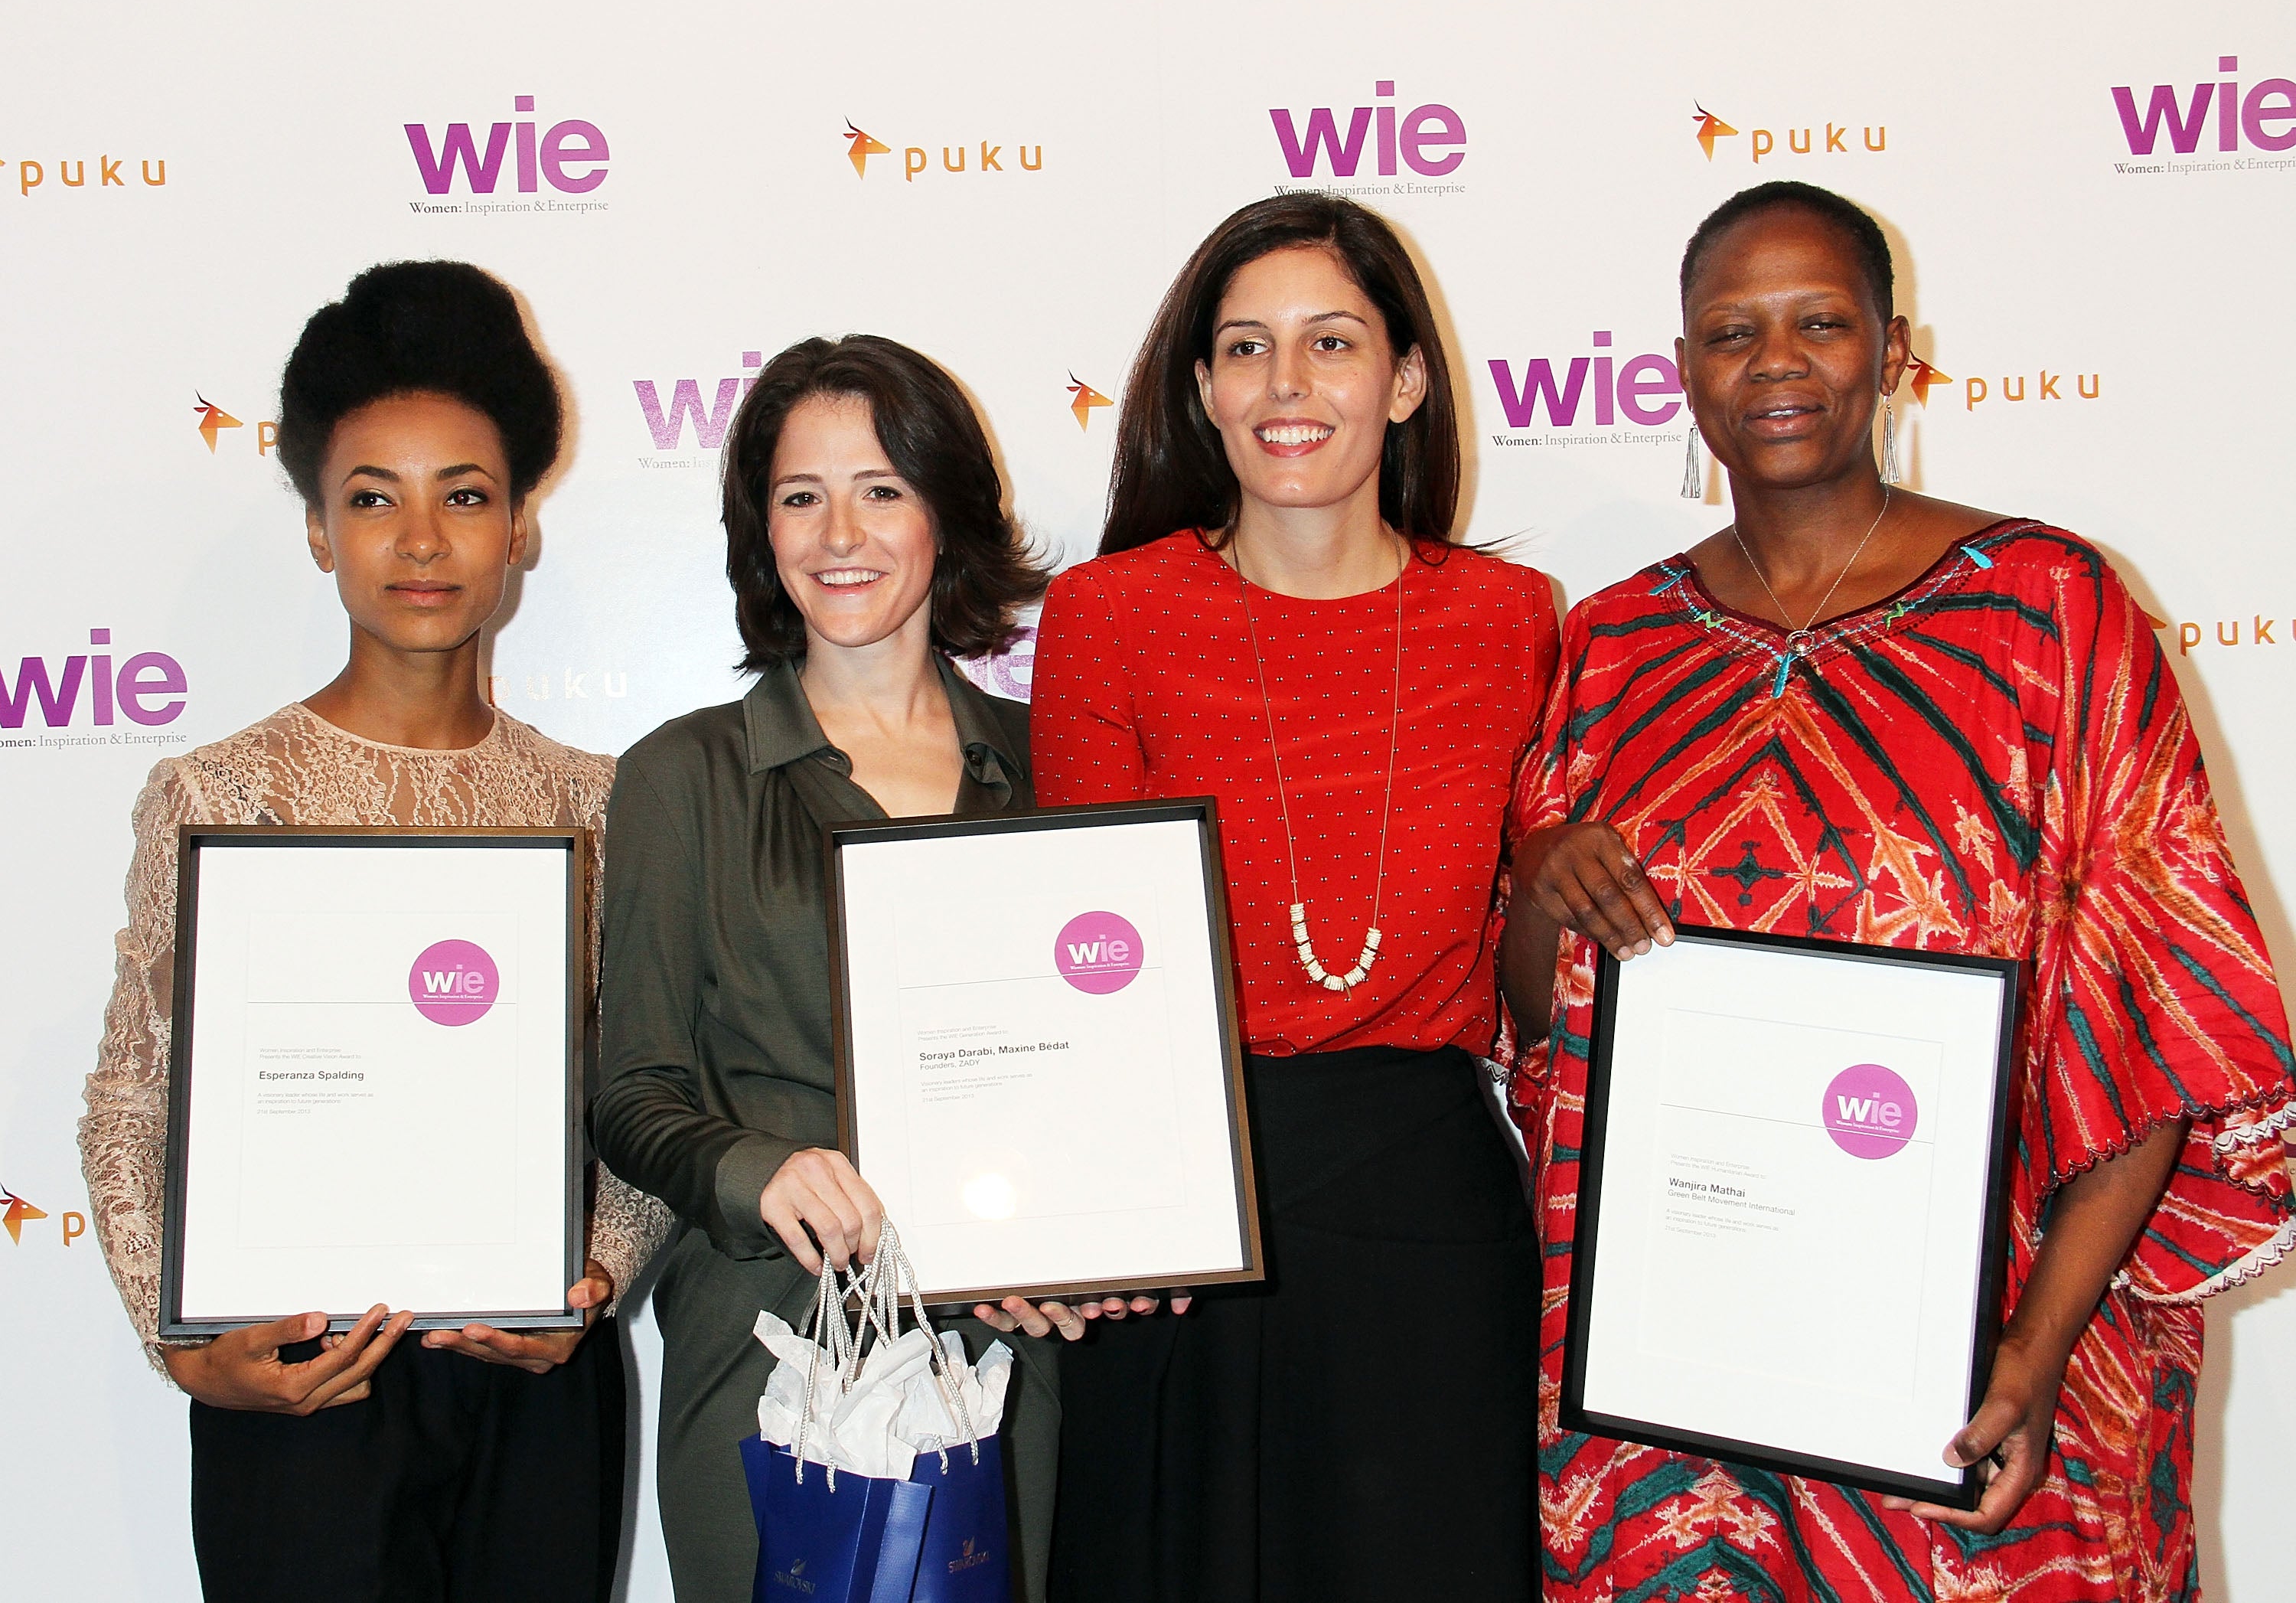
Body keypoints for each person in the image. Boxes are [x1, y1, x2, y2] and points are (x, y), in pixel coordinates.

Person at [1499, 179, 2296, 1603]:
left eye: (1821, 322)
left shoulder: (2050, 610)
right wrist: (1547, 896)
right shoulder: (1611, 645)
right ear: (1681, 372)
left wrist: (2030, 1358)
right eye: (1732, 332)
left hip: (1977, 1369)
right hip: (1683, 1393)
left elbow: (2164, 1020)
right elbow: (1542, 1040)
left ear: (1895, 349)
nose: (1777, 363)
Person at [79, 260, 671, 1602]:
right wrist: (179, 1343)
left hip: (530, 1381)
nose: (420, 541)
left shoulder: (600, 802)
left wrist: (594, 1274)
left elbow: (649, 1089)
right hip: (300, 1379)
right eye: (372, 498)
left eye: (464, 495)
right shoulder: (219, 796)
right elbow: (132, 1094)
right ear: (315, 531)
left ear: (520, 524)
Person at [1030, 193, 1557, 1602]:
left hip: (1427, 1215)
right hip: (1176, 1206)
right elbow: (1082, 964)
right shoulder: (1109, 616)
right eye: (1246, 348)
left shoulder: (1512, 624)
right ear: (1201, 390)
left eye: (1331, 342)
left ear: (1405, 378)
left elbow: (1546, 938)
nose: (1287, 386)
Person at [591, 334, 1087, 1603]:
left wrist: (1084, 1233)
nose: (839, 531)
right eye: (799, 496)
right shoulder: (680, 776)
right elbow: (633, 1088)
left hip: (1007, 1340)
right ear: (762, 532)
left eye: (882, 488)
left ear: (946, 514)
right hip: (766, 1339)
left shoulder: (1058, 766)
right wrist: (761, 1171)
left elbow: (1104, 1070)